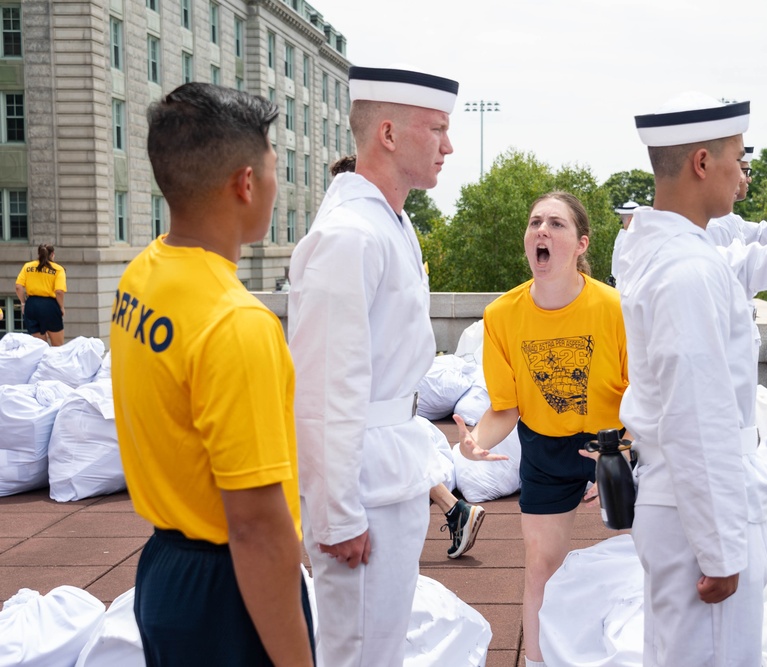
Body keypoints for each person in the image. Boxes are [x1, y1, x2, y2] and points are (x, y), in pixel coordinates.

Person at [615, 92, 767, 667]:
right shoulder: (685, 269)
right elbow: (695, 419)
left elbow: (737, 264)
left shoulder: (667, 246)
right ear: (702, 163)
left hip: (681, 503)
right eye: (739, 156)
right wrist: (720, 548)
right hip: (703, 512)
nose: (743, 170)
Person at [110, 83, 314, 667]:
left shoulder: (141, 275)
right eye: (273, 169)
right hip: (227, 588)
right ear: (246, 183)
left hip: (163, 573)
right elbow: (254, 525)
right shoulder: (237, 323)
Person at [288, 65, 459, 667]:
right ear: (388, 133)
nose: (449, 145)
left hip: (391, 467)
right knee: (356, 655)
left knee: (381, 650)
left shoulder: (391, 222)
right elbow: (323, 389)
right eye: (436, 129)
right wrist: (335, 516)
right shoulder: (350, 236)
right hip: (361, 481)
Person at [454, 191, 630, 667]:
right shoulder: (501, 316)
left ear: (581, 244)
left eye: (556, 223)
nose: (542, 231)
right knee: (540, 569)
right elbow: (504, 410)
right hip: (545, 449)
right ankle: (536, 662)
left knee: (655, 557)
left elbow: (646, 395)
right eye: (535, 223)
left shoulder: (616, 309)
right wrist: (474, 442)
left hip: (616, 447)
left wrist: (627, 452)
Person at [326, 152, 486, 559]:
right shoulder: (398, 231)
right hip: (395, 378)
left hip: (375, 380)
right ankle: (454, 510)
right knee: (403, 450)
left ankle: (453, 510)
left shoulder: (358, 234)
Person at [15, 244, 67, 346]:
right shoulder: (58, 269)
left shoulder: (28, 266)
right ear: (52, 254)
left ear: (39, 254)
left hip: (32, 305)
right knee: (58, 346)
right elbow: (59, 291)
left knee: (39, 347)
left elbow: (18, 286)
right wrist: (61, 307)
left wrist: (23, 303)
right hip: (50, 306)